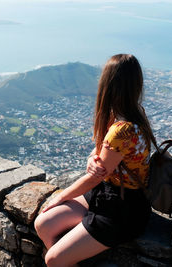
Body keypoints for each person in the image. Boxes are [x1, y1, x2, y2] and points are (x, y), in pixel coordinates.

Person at [34, 54, 154, 267]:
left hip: (123, 209)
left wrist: (61, 197)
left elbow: (93, 179)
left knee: (52, 259)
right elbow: (102, 152)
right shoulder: (128, 115)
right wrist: (93, 158)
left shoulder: (123, 129)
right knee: (44, 224)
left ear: (108, 85)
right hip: (105, 194)